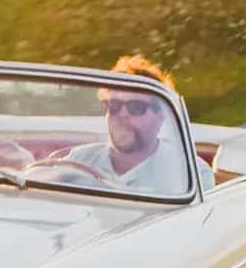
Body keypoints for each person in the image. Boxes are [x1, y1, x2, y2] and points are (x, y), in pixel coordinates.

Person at [63, 54, 193, 195]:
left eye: (136, 107)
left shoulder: (188, 173)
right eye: (114, 105)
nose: (122, 114)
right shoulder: (79, 159)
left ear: (161, 115)